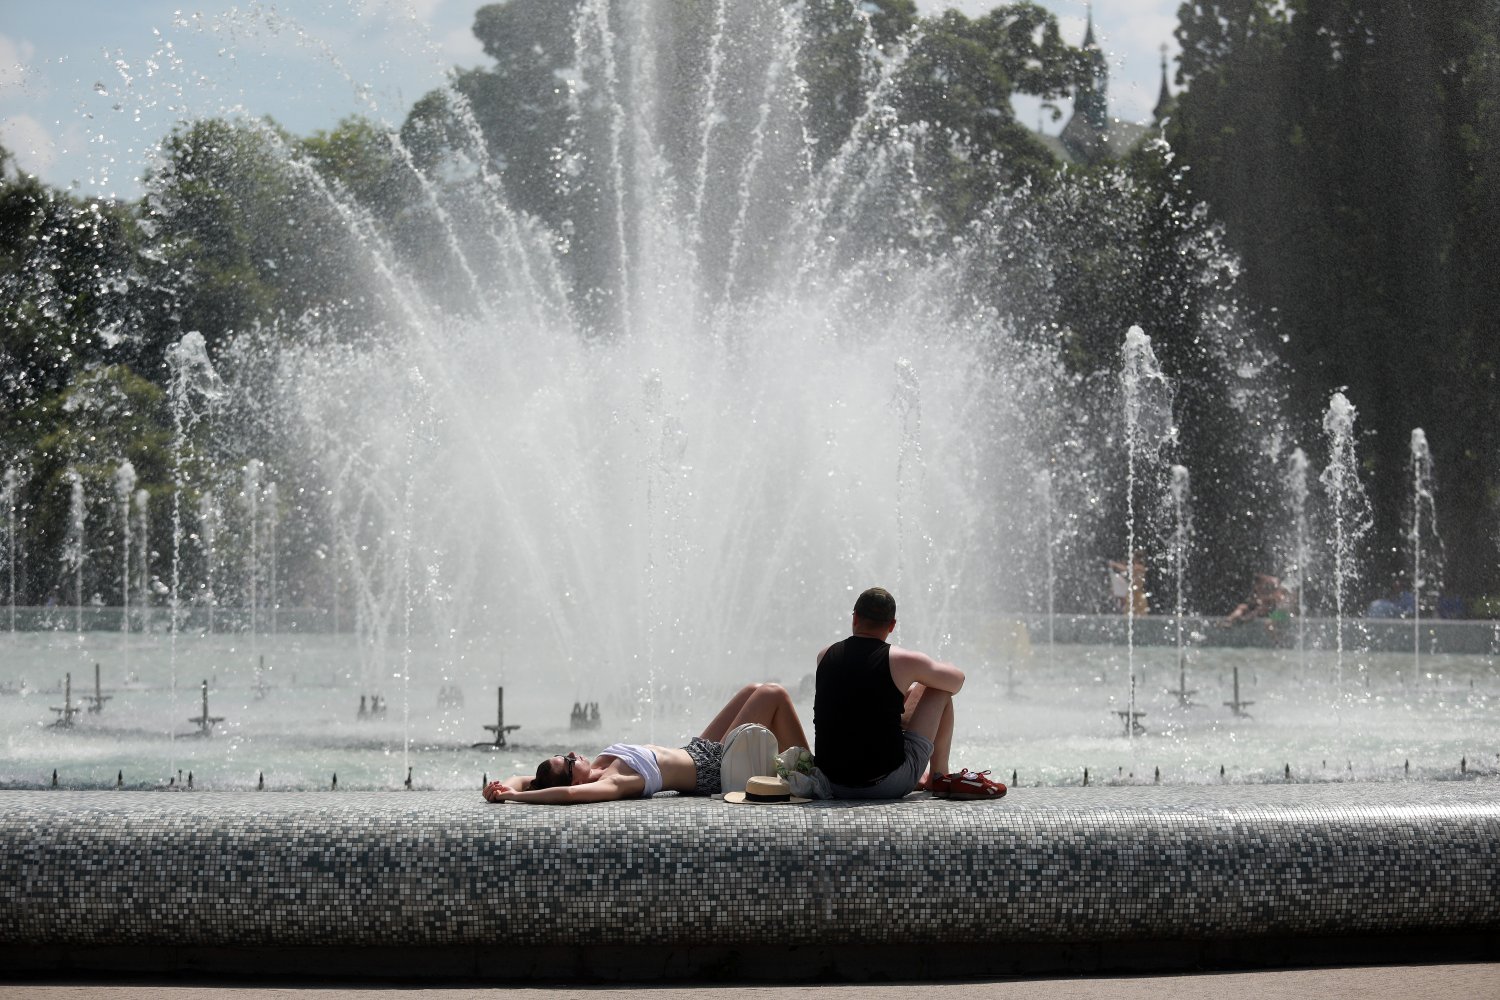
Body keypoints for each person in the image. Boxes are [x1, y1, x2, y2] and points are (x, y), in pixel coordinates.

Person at [813, 587, 1002, 800]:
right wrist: (941, 666)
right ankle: (938, 776)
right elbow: (956, 682)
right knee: (939, 687)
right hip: (886, 784)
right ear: (892, 626)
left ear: (855, 617)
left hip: (830, 782)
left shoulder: (825, 655)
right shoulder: (902, 660)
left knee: (912, 690)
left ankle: (932, 770)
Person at [482, 682, 808, 805]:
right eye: (568, 763)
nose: (571, 754)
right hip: (712, 768)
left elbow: (524, 780)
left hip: (697, 749)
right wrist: (521, 801)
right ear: (575, 778)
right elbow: (566, 794)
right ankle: (813, 772)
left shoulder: (594, 765)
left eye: (562, 755)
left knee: (753, 688)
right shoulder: (615, 782)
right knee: (772, 694)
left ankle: (800, 766)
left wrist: (501, 790)